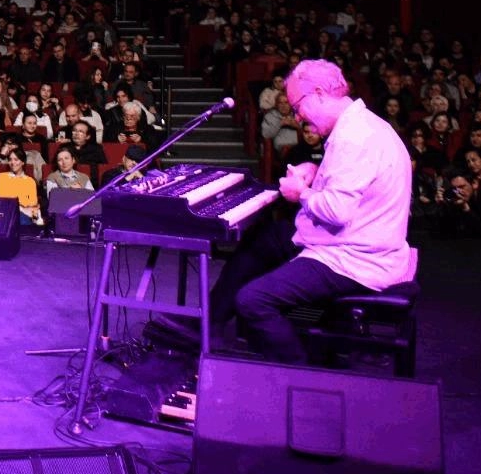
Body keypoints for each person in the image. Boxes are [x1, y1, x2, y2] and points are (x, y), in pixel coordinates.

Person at [167, 59, 415, 364]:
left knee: (253, 301)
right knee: (266, 237)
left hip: (356, 258)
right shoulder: (365, 124)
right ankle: (212, 323)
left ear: (320, 93)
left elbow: (337, 211)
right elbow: (354, 184)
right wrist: (315, 171)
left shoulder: (354, 138)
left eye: (298, 106)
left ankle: (301, 374)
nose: (297, 116)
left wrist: (301, 193)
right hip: (359, 240)